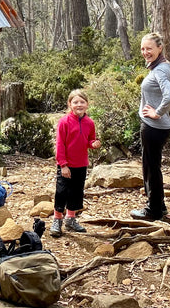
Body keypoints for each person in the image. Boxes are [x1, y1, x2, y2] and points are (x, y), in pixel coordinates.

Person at [131, 31, 170, 221]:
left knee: (150, 168)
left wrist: (157, 112)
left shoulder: (161, 70)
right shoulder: (163, 66)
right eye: (143, 49)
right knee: (153, 166)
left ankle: (153, 210)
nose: (145, 52)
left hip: (153, 126)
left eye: (149, 48)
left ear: (160, 48)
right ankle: (159, 206)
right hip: (159, 127)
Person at [51, 89, 100, 237]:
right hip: (66, 165)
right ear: (70, 104)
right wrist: (63, 164)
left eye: (82, 102)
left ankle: (70, 219)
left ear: (87, 104)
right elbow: (60, 144)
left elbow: (90, 139)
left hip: (81, 164)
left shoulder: (89, 122)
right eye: (75, 102)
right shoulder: (64, 122)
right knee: (61, 192)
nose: (79, 105)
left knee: (76, 192)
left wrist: (94, 144)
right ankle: (57, 220)